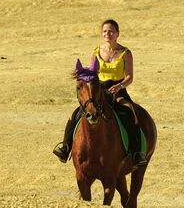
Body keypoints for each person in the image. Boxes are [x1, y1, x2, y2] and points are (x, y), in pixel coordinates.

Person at [53, 19, 147, 167]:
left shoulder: (125, 53)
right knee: (76, 113)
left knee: (130, 112)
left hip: (118, 91)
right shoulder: (96, 51)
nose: (107, 34)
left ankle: (136, 153)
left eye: (110, 31)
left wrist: (119, 86)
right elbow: (91, 75)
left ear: (117, 34)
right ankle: (65, 147)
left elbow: (130, 77)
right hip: (99, 91)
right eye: (104, 31)